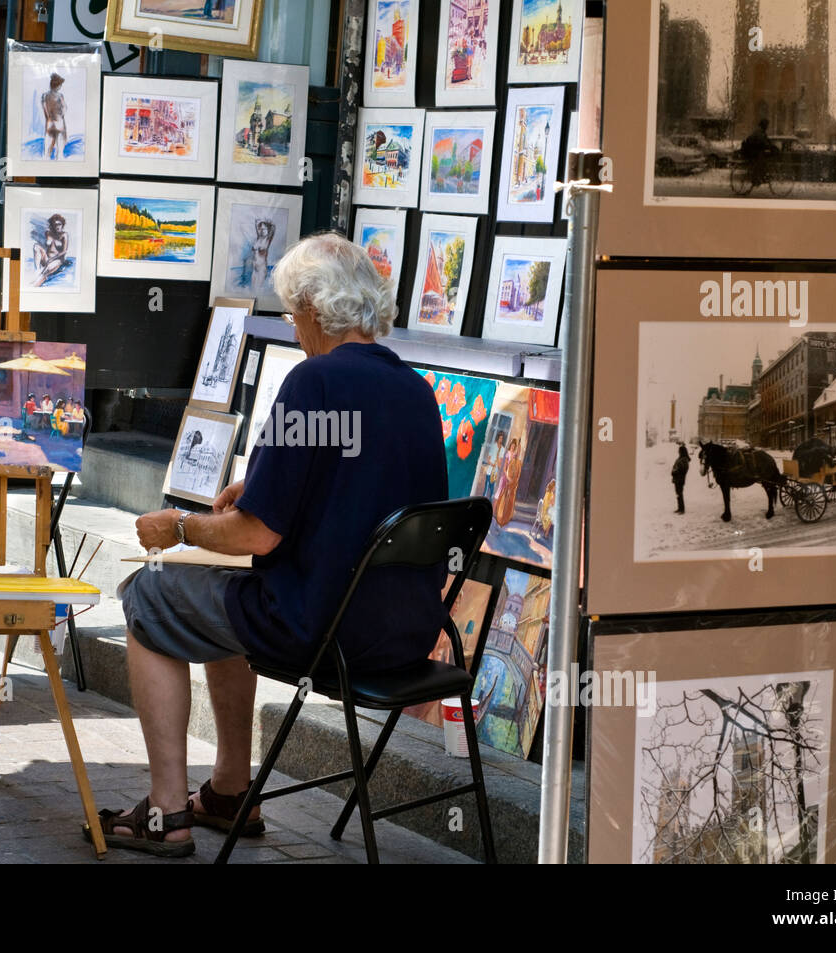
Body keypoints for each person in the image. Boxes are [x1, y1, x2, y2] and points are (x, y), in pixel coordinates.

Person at [102, 232, 448, 857]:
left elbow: (255, 534)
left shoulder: (313, 383)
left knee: (150, 596)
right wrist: (262, 484)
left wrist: (177, 528)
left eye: (293, 315)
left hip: (322, 629)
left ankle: (165, 812)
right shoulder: (416, 391)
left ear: (315, 310)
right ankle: (231, 788)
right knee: (224, 595)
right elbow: (357, 489)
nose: (293, 330)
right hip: (404, 631)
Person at [739, 118, 776, 189]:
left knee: (763, 160)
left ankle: (760, 177)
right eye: (766, 125)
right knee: (760, 161)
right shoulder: (759, 132)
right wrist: (769, 147)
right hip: (750, 151)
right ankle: (755, 179)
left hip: (754, 150)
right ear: (764, 125)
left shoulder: (762, 132)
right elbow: (762, 142)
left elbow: (767, 140)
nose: (767, 127)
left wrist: (772, 146)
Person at [494, 437, 523, 527]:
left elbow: (517, 455)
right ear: (510, 446)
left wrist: (519, 444)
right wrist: (507, 477)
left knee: (507, 498)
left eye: (514, 446)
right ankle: (494, 511)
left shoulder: (514, 455)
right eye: (512, 446)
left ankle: (503, 515)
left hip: (510, 480)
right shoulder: (507, 454)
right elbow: (505, 468)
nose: (513, 447)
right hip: (505, 477)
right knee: (499, 494)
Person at [41, 73, 67, 161]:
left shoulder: (44, 95)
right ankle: (59, 157)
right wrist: (61, 116)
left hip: (49, 122)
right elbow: (64, 108)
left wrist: (48, 118)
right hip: (59, 121)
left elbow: (45, 109)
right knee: (60, 141)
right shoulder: (60, 96)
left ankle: (47, 157)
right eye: (60, 85)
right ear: (58, 86)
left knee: (48, 141)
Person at [482, 431, 506, 501]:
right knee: (486, 489)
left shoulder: (502, 449)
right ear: (497, 438)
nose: (500, 440)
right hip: (490, 470)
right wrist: (492, 464)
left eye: (502, 439)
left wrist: (498, 462)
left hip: (495, 472)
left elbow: (500, 463)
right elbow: (488, 459)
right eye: (500, 438)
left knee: (492, 490)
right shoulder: (493, 446)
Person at [671, 444, 690, 514]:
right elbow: (676, 466)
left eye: (679, 451)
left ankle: (682, 509)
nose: (678, 452)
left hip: (680, 479)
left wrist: (675, 471)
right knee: (678, 494)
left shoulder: (684, 459)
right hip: (677, 478)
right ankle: (679, 508)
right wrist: (674, 470)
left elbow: (683, 469)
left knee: (680, 494)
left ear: (682, 452)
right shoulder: (680, 458)